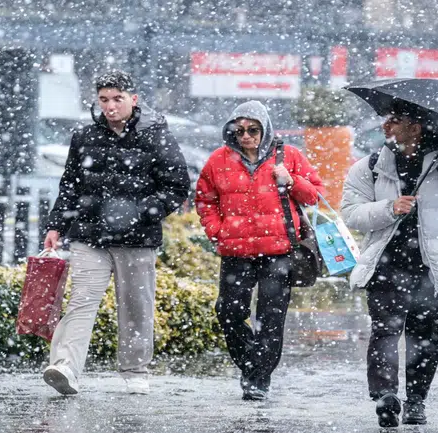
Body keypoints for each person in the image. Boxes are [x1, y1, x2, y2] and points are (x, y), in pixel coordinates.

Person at [41, 70, 190, 395]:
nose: (110, 106)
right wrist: (56, 225)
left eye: (117, 99)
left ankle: (135, 370)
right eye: (104, 99)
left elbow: (178, 185)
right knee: (80, 301)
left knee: (136, 305)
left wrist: (142, 212)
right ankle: (66, 366)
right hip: (89, 235)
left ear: (133, 99)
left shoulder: (156, 135)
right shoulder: (85, 137)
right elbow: (70, 185)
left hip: (137, 239)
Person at [341, 103, 438, 427]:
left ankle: (417, 400)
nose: (386, 126)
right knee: (385, 333)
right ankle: (385, 397)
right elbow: (351, 213)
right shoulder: (370, 167)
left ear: (416, 128)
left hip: (432, 271)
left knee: (426, 338)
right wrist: (389, 208)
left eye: (394, 120)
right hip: (386, 266)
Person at [195, 101, 324, 401]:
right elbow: (205, 199)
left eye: (253, 130)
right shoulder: (218, 160)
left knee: (271, 317)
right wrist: (217, 231)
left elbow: (315, 195)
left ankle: (258, 378)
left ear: (265, 130)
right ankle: (252, 363)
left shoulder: (289, 156)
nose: (246, 136)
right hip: (235, 252)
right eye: (238, 130)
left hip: (278, 252)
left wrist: (291, 180)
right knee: (228, 312)